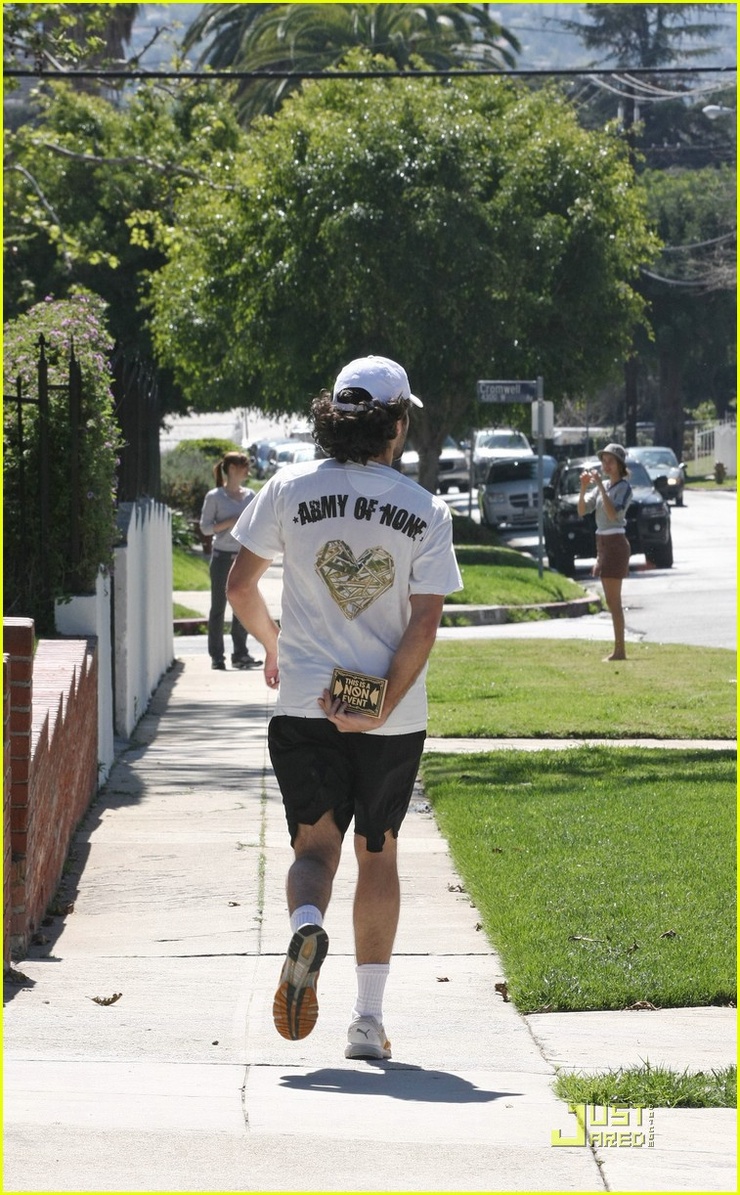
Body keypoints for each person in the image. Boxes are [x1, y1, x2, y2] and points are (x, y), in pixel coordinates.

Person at [226, 355, 462, 1059]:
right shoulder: (426, 509)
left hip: (304, 701)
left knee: (314, 848)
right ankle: (366, 1020)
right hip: (389, 715)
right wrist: (380, 701)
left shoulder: (288, 488)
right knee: (377, 853)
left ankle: (305, 921)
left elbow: (241, 585)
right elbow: (425, 623)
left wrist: (274, 646)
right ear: (396, 425)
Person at [199, 451, 263, 671]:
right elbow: (205, 528)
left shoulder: (250, 496)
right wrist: (230, 522)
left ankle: (241, 654)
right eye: (244, 466)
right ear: (233, 469)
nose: (248, 470)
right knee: (218, 608)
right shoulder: (214, 497)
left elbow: (257, 523)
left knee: (242, 606)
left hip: (244, 557)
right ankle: (217, 656)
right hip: (222, 557)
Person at [578, 443, 633, 662]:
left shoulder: (623, 488)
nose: (606, 465)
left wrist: (600, 486)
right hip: (602, 543)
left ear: (619, 464)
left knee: (614, 601)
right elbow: (582, 510)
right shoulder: (603, 487)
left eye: (610, 461)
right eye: (604, 461)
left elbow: (612, 514)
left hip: (615, 543)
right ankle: (619, 648)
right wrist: (584, 488)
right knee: (611, 601)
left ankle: (620, 651)